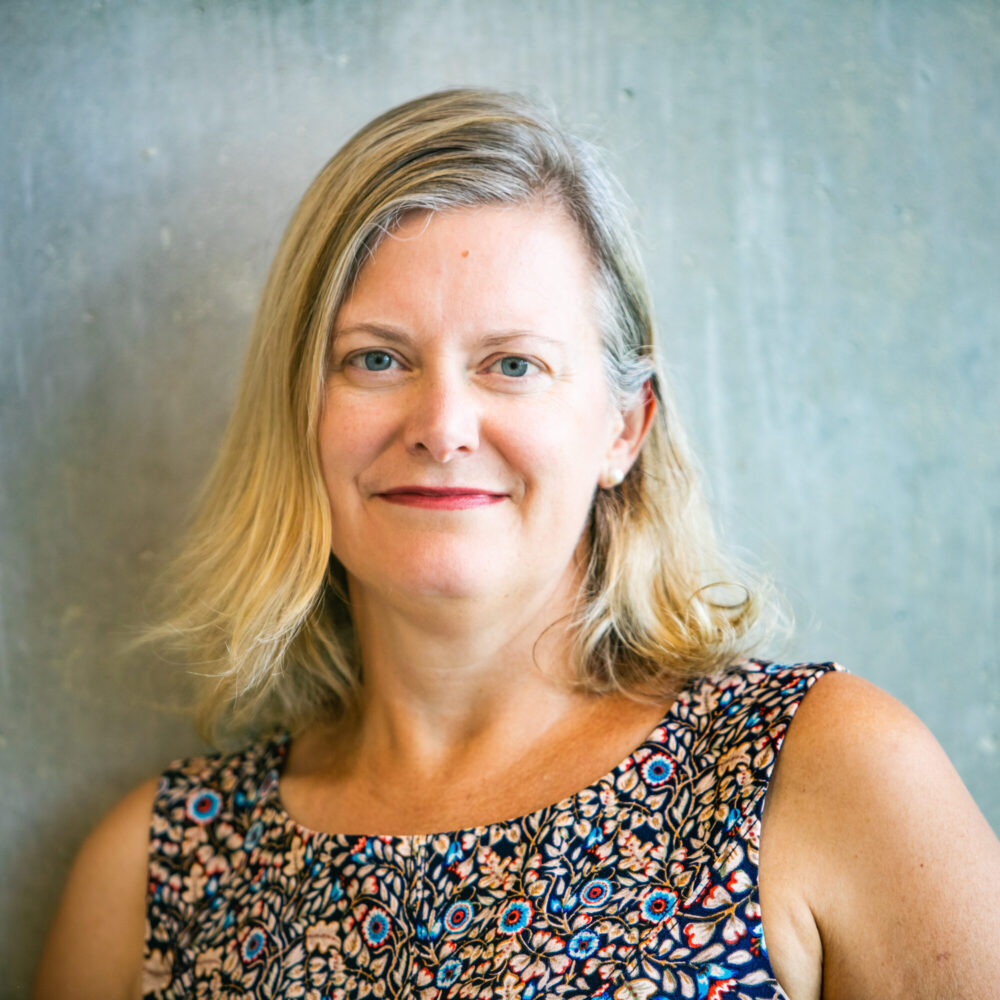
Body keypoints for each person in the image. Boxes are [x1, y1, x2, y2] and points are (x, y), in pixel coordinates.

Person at [35, 88, 1000, 1000]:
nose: (442, 427)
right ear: (301, 414)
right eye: (377, 358)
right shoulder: (151, 872)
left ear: (624, 428)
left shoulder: (819, 773)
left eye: (513, 364)